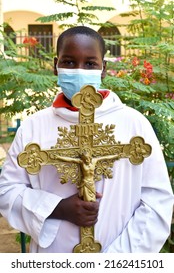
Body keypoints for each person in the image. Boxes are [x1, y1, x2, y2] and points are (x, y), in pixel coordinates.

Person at [0, 26, 173, 253]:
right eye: (69, 62)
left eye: (90, 64)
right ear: (56, 66)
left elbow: (156, 201)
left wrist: (115, 261)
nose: (79, 70)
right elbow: (7, 191)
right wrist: (58, 208)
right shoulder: (34, 126)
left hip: (120, 255)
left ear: (103, 69)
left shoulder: (134, 124)